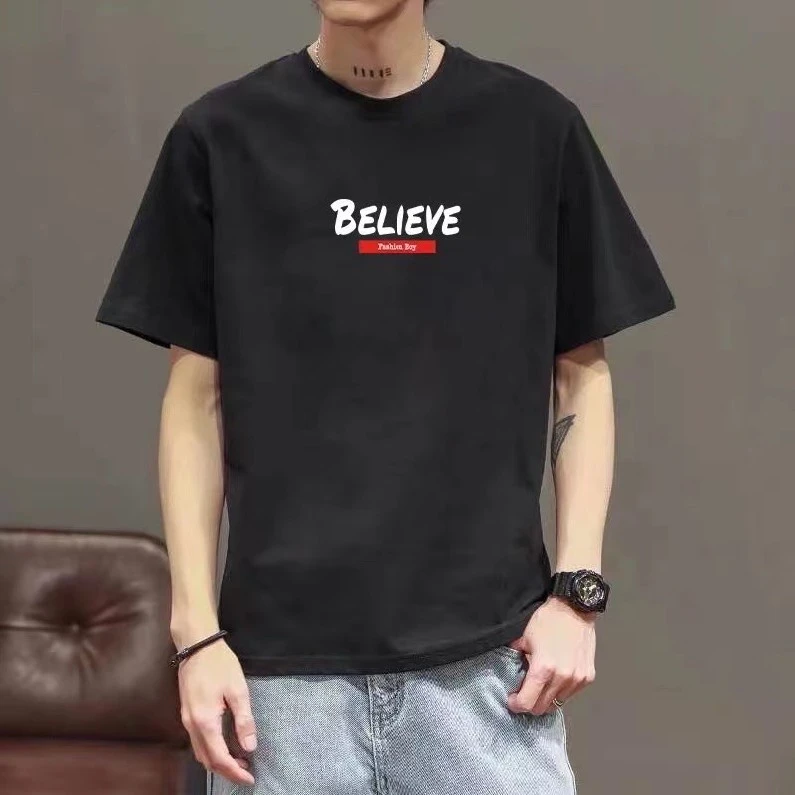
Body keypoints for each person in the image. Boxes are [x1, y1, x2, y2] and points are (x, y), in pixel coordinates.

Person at [95, 0, 676, 792]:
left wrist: (576, 596)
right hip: (280, 689)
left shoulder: (534, 130)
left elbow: (581, 373)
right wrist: (195, 637)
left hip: (488, 676)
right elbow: (195, 399)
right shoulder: (222, 136)